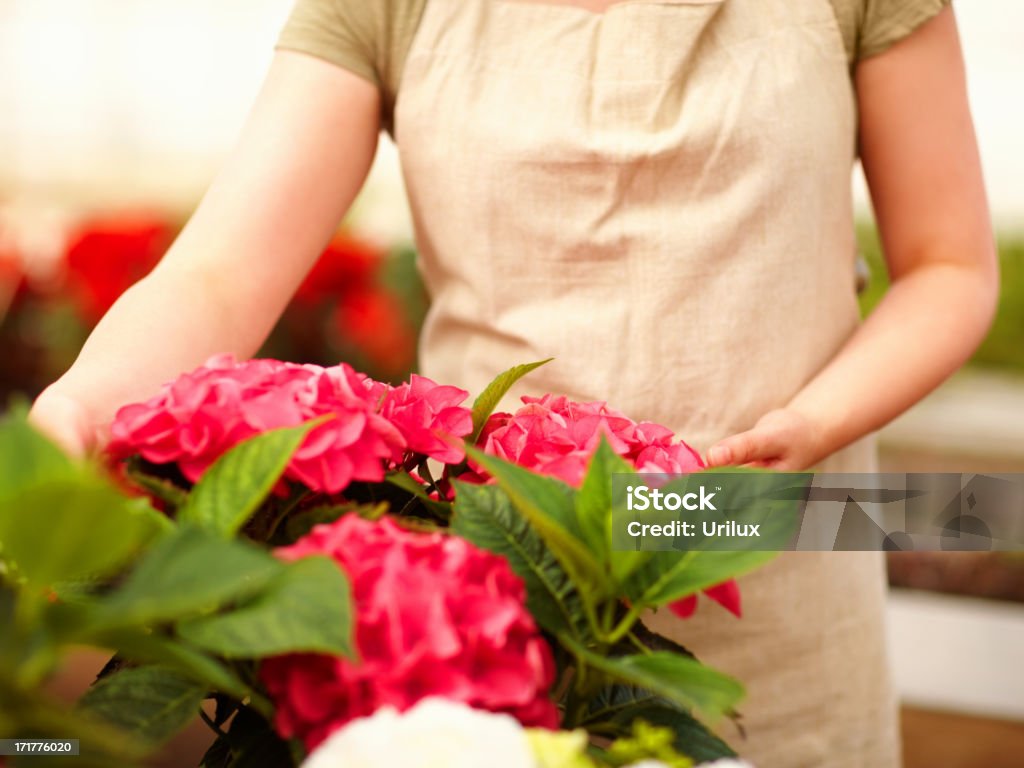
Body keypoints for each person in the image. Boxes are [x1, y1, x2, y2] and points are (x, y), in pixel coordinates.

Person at [30, 0, 996, 765]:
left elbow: (951, 264)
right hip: (498, 600)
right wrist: (81, 402)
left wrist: (811, 421)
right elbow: (222, 271)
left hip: (779, 547)